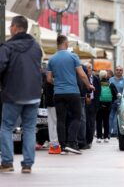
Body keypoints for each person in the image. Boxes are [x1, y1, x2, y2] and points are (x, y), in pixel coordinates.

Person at [0, 16, 42, 173]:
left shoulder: (8, 47)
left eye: (11, 26)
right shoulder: (36, 47)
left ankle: (7, 162)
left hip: (13, 93)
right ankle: (27, 165)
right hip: (34, 93)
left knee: (6, 127)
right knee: (30, 128)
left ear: (15, 28)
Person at [47, 35, 95, 155]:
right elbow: (82, 75)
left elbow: (48, 79)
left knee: (61, 120)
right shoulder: (73, 56)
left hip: (58, 93)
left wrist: (57, 82)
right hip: (72, 92)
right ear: (66, 43)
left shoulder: (52, 59)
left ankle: (62, 147)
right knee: (76, 116)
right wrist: (89, 85)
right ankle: (71, 142)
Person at [96, 70, 118, 143]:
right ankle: (106, 137)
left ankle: (99, 137)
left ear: (100, 76)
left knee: (99, 121)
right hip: (108, 104)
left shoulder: (97, 84)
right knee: (106, 120)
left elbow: (95, 94)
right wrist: (111, 101)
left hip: (99, 104)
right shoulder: (110, 84)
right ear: (106, 76)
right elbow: (116, 95)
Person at [85, 63, 100, 148]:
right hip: (85, 103)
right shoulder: (83, 78)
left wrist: (97, 104)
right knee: (86, 121)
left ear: (91, 69)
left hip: (93, 103)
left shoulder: (96, 79)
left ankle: (90, 140)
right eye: (86, 68)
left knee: (92, 122)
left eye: (89, 68)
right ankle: (86, 139)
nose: (88, 70)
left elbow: (98, 92)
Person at [109, 66, 124, 137]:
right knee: (110, 116)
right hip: (111, 101)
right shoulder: (110, 80)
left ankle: (115, 132)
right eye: (117, 70)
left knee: (117, 116)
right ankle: (109, 131)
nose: (119, 71)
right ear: (115, 71)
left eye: (120, 70)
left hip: (120, 101)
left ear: (122, 71)